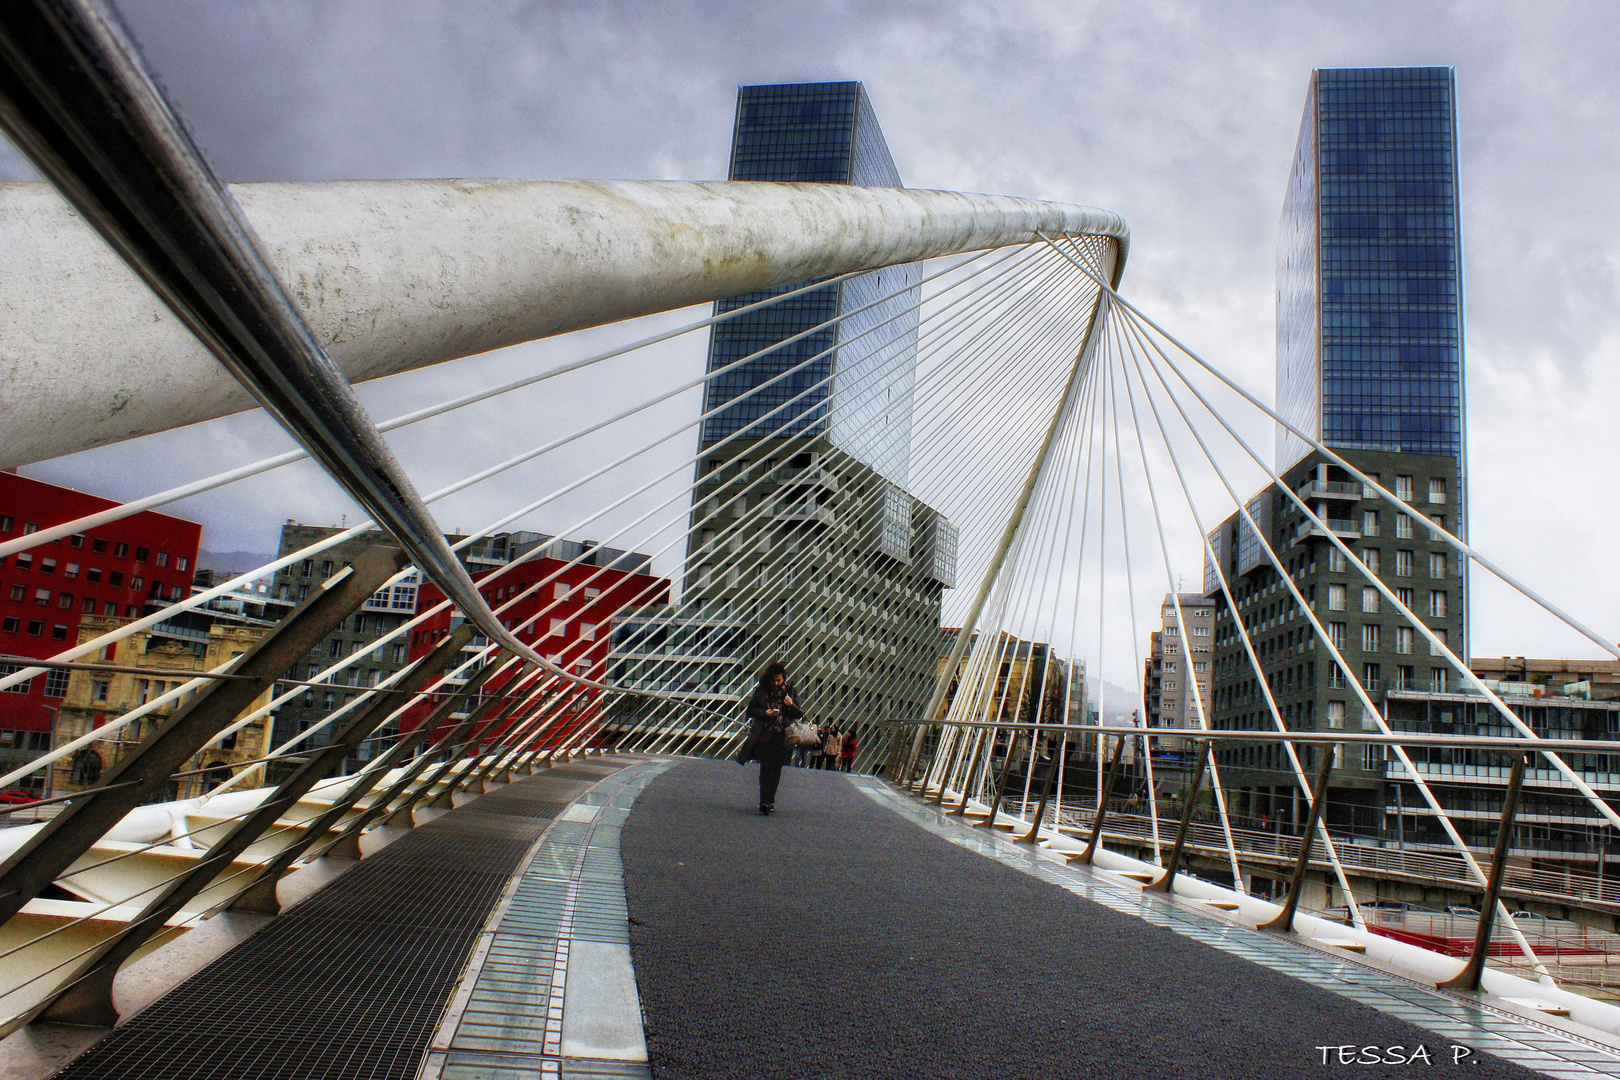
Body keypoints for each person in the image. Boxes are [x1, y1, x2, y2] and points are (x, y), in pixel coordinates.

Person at [736, 660, 803, 815]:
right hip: (765, 734)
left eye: (779, 680)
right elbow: (751, 710)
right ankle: (764, 801)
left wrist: (791, 705)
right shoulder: (762, 691)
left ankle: (771, 799)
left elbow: (799, 713)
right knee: (765, 768)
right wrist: (765, 713)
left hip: (782, 736)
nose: (776, 683)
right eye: (774, 680)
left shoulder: (790, 691)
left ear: (784, 679)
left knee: (776, 769)